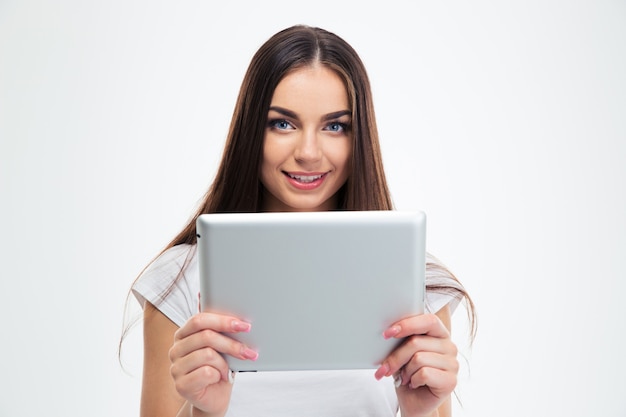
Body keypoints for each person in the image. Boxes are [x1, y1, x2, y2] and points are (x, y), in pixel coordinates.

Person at [129, 25, 476, 417]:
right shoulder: (178, 281)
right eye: (283, 123)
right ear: (250, 132)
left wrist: (421, 413)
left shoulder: (413, 282)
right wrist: (206, 411)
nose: (309, 152)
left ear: (358, 136)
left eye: (334, 126)